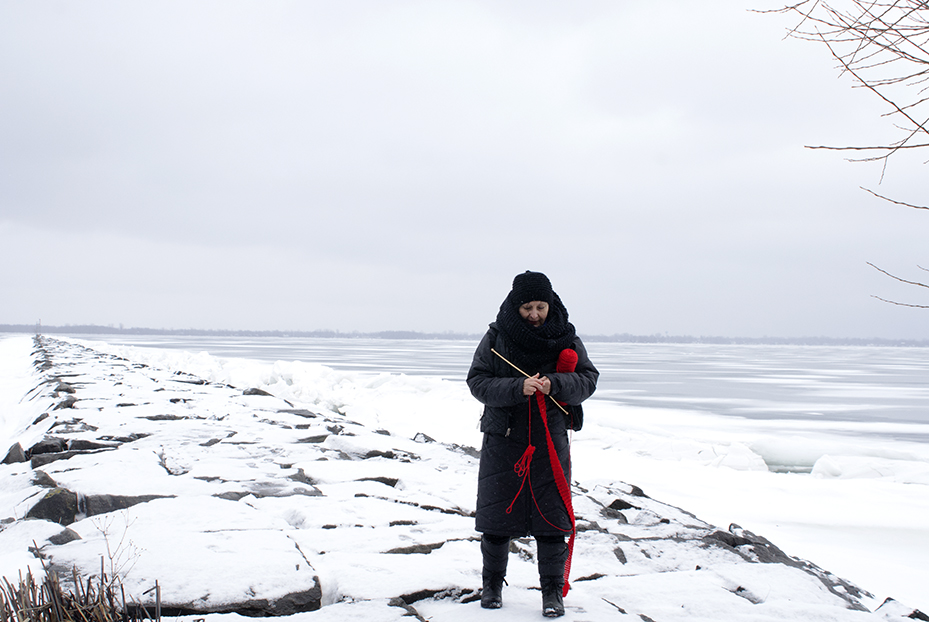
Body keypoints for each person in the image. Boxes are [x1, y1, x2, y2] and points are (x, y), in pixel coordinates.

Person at [467, 271, 599, 617]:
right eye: (528, 307)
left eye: (541, 306)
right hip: (504, 440)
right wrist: (516, 388)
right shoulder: (496, 338)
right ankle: (492, 588)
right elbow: (477, 381)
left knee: (552, 522)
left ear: (550, 303)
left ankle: (552, 594)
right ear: (516, 306)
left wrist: (554, 384)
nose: (535, 314)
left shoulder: (567, 338)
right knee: (496, 521)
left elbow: (587, 380)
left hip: (549, 440)